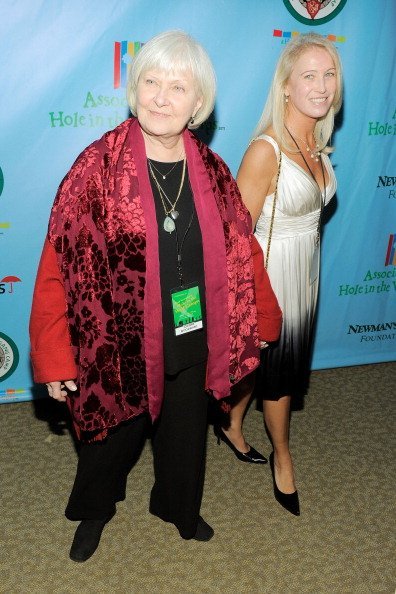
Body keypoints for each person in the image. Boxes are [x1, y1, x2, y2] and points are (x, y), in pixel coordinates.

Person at [29, 30, 280, 562]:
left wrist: (263, 314)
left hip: (192, 332)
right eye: (151, 81)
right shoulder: (96, 168)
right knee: (111, 439)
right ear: (135, 89)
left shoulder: (211, 170)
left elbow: (241, 248)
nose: (162, 97)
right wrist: (53, 354)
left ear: (199, 103)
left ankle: (177, 507)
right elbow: (57, 262)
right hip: (118, 343)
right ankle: (94, 510)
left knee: (187, 432)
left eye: (178, 86)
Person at [217, 33, 342, 516]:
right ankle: (283, 458)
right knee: (279, 377)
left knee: (264, 365)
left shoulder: (314, 139)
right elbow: (236, 238)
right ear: (286, 87)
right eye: (309, 75)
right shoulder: (266, 150)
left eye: (329, 74)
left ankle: (229, 423)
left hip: (305, 273)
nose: (322, 85)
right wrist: (249, 299)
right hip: (269, 279)